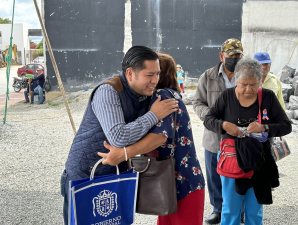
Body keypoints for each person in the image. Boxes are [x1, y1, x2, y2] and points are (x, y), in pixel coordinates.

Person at [60, 46, 178, 225]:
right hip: (85, 175)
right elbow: (118, 137)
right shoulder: (108, 91)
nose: (155, 80)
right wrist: (153, 115)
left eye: (158, 74)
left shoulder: (145, 94)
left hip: (115, 173)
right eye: (149, 75)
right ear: (130, 74)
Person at [99, 52, 205, 225]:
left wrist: (123, 154)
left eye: (154, 73)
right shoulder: (173, 94)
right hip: (176, 181)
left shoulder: (162, 95)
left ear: (160, 75)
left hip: (179, 183)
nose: (151, 78)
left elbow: (159, 138)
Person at [203, 57, 292, 225]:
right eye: (244, 84)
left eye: (253, 84)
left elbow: (286, 126)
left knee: (255, 210)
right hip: (231, 159)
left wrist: (264, 128)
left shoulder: (268, 97)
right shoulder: (227, 96)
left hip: (259, 161)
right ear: (236, 80)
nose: (248, 89)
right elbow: (208, 120)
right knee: (230, 210)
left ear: (261, 80)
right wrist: (224, 125)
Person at [192, 38, 244, 224]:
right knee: (215, 175)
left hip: (241, 137)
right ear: (222, 56)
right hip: (214, 137)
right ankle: (218, 210)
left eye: (238, 55)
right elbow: (197, 102)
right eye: (231, 55)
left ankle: (240, 210)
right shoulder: (208, 76)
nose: (235, 59)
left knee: (240, 173)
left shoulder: (246, 76)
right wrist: (214, 120)